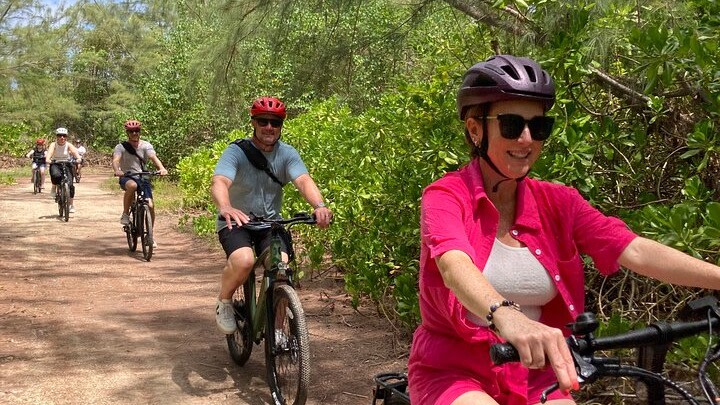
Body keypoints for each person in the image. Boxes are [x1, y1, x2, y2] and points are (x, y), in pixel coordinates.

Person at [407, 54, 720, 405]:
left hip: (537, 372)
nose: (527, 139)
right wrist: (505, 315)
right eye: (511, 125)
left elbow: (633, 249)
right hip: (456, 370)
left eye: (539, 127)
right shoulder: (447, 195)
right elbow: (454, 265)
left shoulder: (559, 202)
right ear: (475, 129)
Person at [212, 96, 333, 335]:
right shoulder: (236, 152)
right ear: (253, 123)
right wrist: (225, 207)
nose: (269, 127)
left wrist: (319, 205)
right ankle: (224, 301)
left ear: (281, 125)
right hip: (236, 221)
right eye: (263, 121)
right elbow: (220, 181)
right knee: (244, 261)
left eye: (275, 122)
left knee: (281, 269)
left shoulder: (287, 154)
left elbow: (303, 180)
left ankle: (277, 332)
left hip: (270, 224)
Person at [112, 119, 169, 246]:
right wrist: (117, 170)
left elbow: (153, 157)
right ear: (127, 133)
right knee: (132, 186)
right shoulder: (121, 147)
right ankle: (125, 214)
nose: (134, 133)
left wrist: (161, 168)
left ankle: (150, 235)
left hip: (142, 177)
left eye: (136, 131)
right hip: (127, 176)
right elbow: (116, 160)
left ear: (140, 132)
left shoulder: (146, 145)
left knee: (150, 205)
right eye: (131, 131)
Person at [45, 127, 82, 213]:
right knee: (55, 175)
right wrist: (48, 159)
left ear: (66, 137)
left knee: (70, 185)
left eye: (64, 136)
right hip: (56, 163)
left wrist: (78, 158)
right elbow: (49, 153)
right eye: (60, 135)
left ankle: (71, 205)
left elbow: (75, 153)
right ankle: (54, 187)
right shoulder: (53, 144)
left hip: (67, 163)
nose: (62, 137)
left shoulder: (68, 145)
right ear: (57, 137)